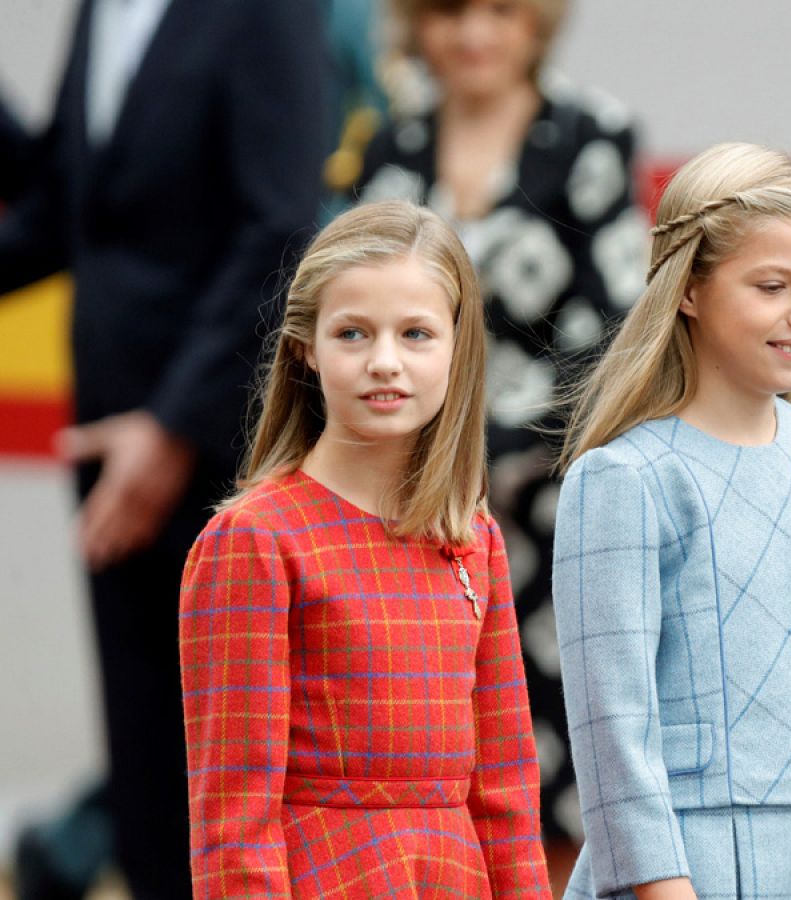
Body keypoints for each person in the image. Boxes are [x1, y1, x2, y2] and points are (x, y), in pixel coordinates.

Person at [0, 1, 328, 894]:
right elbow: (69, 211)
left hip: (225, 447)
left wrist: (176, 424)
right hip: (104, 436)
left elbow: (282, 225)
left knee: (240, 774)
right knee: (144, 760)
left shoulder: (267, 14)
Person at [552, 143, 791, 900]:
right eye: (771, 285)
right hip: (688, 872)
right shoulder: (624, 479)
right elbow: (613, 735)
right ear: (689, 289)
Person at [179, 201, 551, 897]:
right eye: (353, 333)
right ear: (305, 346)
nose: (385, 362)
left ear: (458, 345)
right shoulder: (254, 541)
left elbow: (505, 795)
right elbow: (234, 820)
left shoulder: (476, 542)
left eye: (416, 333)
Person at [355, 0, 644, 847]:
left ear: (538, 22)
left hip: (544, 511)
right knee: (423, 769)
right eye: (448, 11)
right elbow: (342, 310)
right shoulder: (385, 146)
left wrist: (482, 456)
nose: (474, 33)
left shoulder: (592, 134)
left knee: (554, 782)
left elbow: (616, 338)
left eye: (500, 11)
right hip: (402, 510)